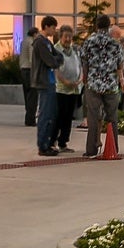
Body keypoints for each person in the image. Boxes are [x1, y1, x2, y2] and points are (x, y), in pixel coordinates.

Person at [79, 14, 124, 160]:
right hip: (111, 84)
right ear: (109, 26)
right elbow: (120, 63)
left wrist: (86, 78)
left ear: (96, 25)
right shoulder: (115, 43)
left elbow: (85, 61)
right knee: (112, 117)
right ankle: (113, 147)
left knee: (93, 116)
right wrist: (121, 80)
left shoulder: (89, 41)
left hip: (93, 83)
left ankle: (92, 149)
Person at [27, 16, 63, 155]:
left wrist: (56, 59)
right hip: (44, 82)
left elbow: (58, 56)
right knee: (45, 114)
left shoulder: (47, 42)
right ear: (46, 26)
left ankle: (47, 143)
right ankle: (42, 145)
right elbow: (51, 61)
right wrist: (56, 60)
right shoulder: (40, 43)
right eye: (53, 28)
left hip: (50, 82)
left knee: (51, 114)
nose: (54, 31)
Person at [47, 23, 81, 155]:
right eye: (66, 37)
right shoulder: (55, 50)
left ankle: (63, 142)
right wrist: (65, 81)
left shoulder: (73, 51)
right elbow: (55, 70)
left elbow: (78, 65)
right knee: (58, 117)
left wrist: (79, 79)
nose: (68, 39)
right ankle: (51, 142)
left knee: (68, 118)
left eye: (70, 37)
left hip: (73, 89)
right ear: (60, 37)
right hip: (60, 89)